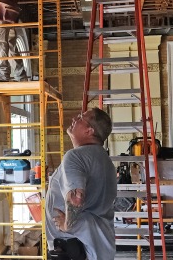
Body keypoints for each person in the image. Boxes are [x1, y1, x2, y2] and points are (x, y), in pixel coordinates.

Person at [45, 108, 117, 260]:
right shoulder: (105, 160)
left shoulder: (75, 156)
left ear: (89, 131)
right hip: (99, 247)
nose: (74, 119)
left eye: (80, 118)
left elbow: (76, 198)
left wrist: (67, 225)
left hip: (75, 249)